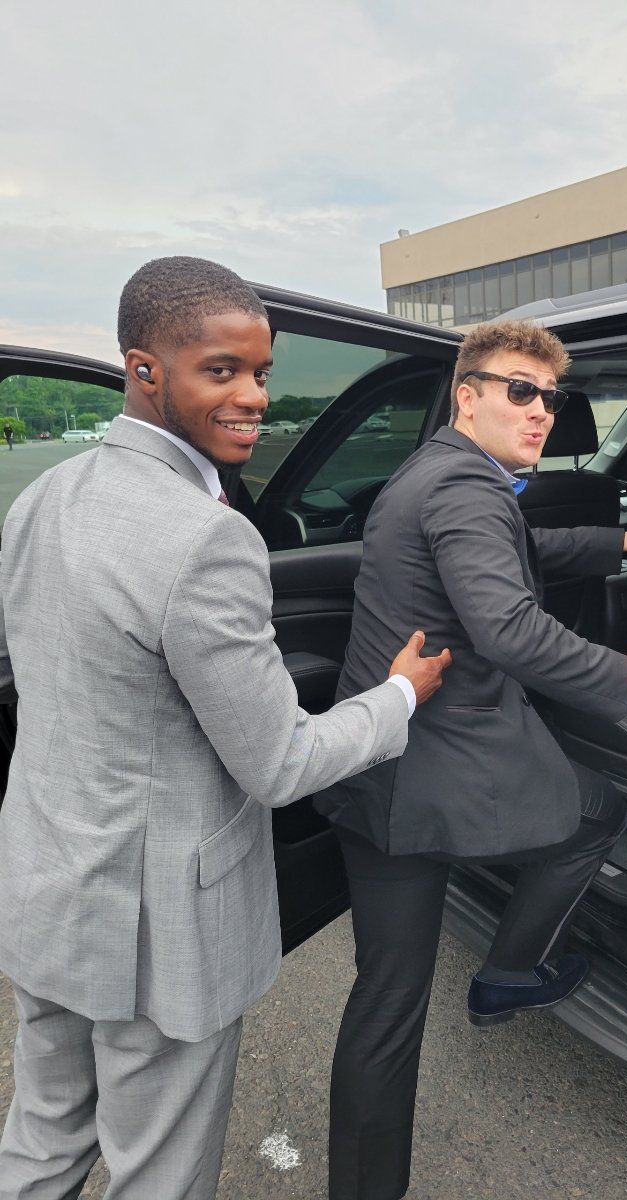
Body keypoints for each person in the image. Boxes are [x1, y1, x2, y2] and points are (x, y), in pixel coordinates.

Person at [0, 256, 450, 1200]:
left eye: (262, 374)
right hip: (157, 939)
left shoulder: (42, 497)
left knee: (40, 1145)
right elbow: (282, 762)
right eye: (222, 371)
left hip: (45, 887)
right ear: (143, 369)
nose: (253, 399)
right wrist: (399, 696)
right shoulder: (208, 537)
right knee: (157, 1176)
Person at [314, 320, 627, 1200]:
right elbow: (508, 628)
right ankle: (508, 974)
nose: (540, 412)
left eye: (552, 397)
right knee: (599, 817)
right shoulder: (468, 489)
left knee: (386, 1008)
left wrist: (623, 540)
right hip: (442, 762)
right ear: (468, 394)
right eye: (519, 391)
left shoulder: (440, 473)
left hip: (379, 761)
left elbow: (517, 550)